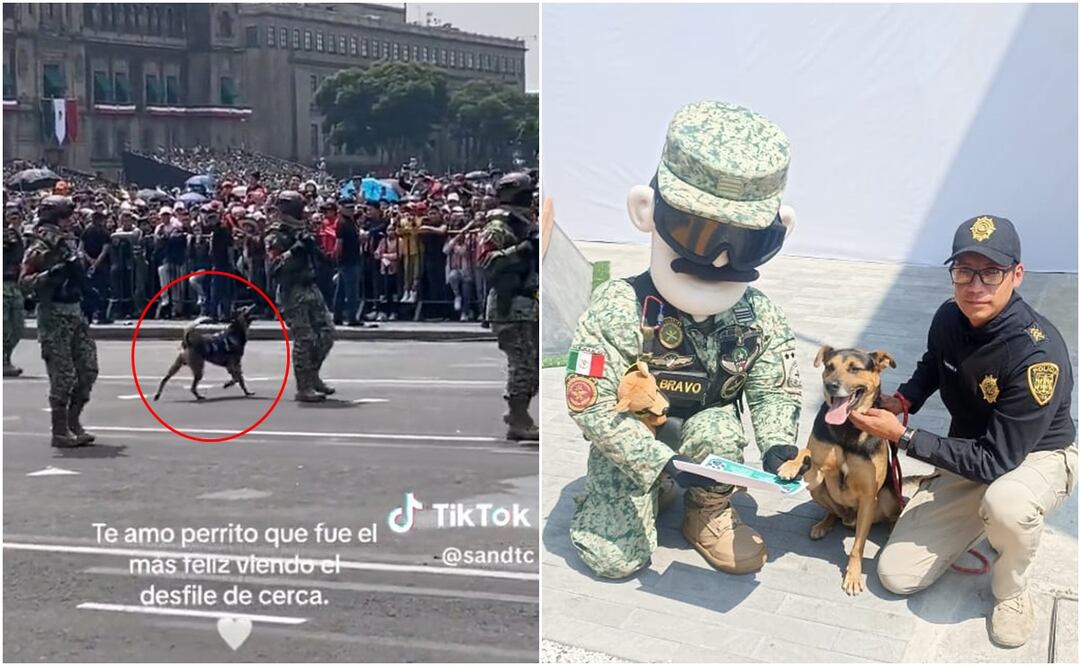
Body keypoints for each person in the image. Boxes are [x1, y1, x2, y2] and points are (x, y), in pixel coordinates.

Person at [565, 102, 802, 579]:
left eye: (745, 243)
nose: (718, 260)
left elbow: (774, 385)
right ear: (646, 211)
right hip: (637, 441)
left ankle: (706, 509)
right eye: (698, 232)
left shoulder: (757, 314)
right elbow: (589, 405)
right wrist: (660, 462)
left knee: (720, 427)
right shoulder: (619, 306)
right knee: (615, 562)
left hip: (707, 442)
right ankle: (634, 492)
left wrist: (779, 446)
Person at [849, 215, 1076, 648]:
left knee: (1007, 503)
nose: (975, 285)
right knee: (896, 575)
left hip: (1034, 458)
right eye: (964, 271)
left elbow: (999, 460)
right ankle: (983, 519)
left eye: (991, 272)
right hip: (973, 453)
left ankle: (1011, 588)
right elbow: (934, 365)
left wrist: (903, 436)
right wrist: (905, 401)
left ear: (1017, 274)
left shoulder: (1038, 354)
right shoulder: (949, 317)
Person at [18, 195, 99, 447]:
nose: (71, 220)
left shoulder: (68, 242)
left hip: (74, 311)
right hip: (53, 314)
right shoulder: (41, 245)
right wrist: (52, 274)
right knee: (63, 376)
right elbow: (25, 283)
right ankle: (60, 430)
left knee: (88, 369)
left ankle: (74, 421)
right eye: (66, 216)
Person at [479, 172, 540, 441]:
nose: (530, 199)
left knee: (534, 366)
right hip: (509, 306)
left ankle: (519, 411)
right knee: (522, 365)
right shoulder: (498, 227)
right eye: (525, 194)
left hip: (528, 305)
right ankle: (518, 418)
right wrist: (523, 250)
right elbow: (487, 263)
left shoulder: (525, 224)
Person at [265, 190, 336, 402]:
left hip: (309, 287)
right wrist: (295, 250)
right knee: (304, 339)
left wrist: (314, 248)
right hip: (291, 291)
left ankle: (312, 375)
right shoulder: (276, 234)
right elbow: (273, 268)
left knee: (327, 333)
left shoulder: (301, 230)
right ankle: (303, 386)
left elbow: (321, 257)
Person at [3, 202, 26, 376]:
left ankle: (6, 357)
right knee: (4, 325)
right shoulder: (6, 234)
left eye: (16, 216)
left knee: (18, 326)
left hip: (16, 284)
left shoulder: (21, 236)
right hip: (4, 283)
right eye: (11, 216)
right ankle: (4, 361)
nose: (14, 220)